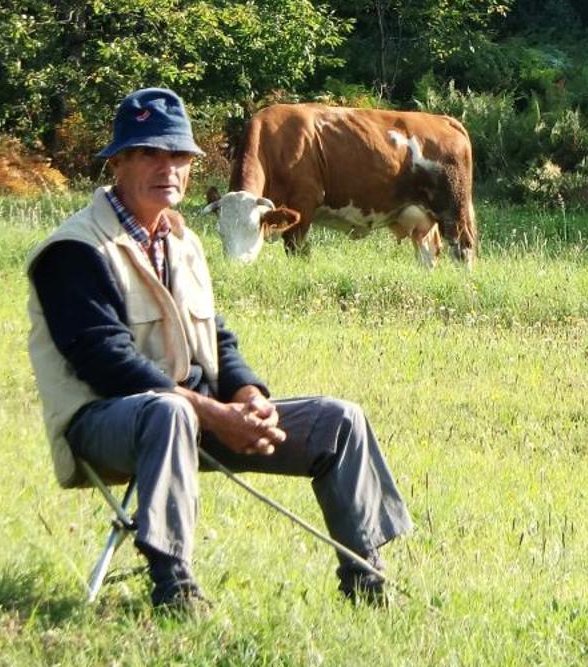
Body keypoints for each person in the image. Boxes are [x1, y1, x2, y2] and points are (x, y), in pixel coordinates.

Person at [25, 87, 410, 612]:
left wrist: (248, 395)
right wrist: (211, 411)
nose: (168, 168)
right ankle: (173, 585)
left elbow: (218, 339)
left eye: (178, 156)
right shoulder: (72, 250)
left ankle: (367, 581)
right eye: (149, 153)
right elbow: (104, 361)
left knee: (339, 421)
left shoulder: (182, 241)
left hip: (199, 415)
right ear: (118, 162)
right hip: (104, 424)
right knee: (168, 410)